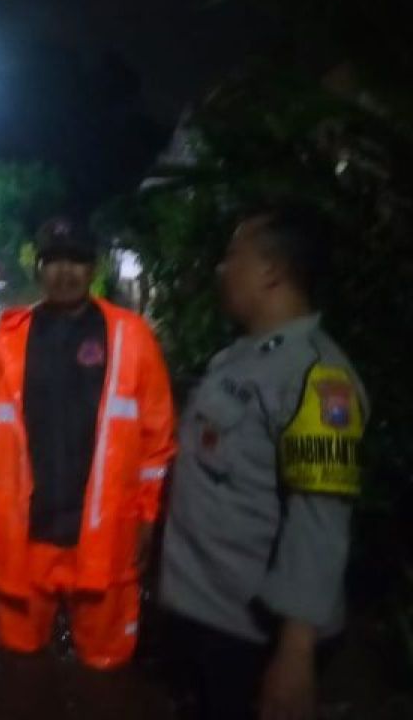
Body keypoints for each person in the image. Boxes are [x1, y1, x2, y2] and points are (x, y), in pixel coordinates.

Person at [158, 203, 369, 720]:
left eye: (233, 255)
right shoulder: (241, 359)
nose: (221, 268)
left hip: (250, 642)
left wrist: (294, 655)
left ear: (271, 270)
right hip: (205, 621)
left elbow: (319, 521)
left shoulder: (319, 380)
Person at [0, 217, 176, 671]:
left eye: (76, 260)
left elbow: (157, 439)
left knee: (107, 663)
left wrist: (147, 515)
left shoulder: (131, 337)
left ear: (92, 267)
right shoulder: (10, 341)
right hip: (24, 535)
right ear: (38, 269)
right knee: (19, 660)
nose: (65, 272)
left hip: (102, 533)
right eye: (53, 261)